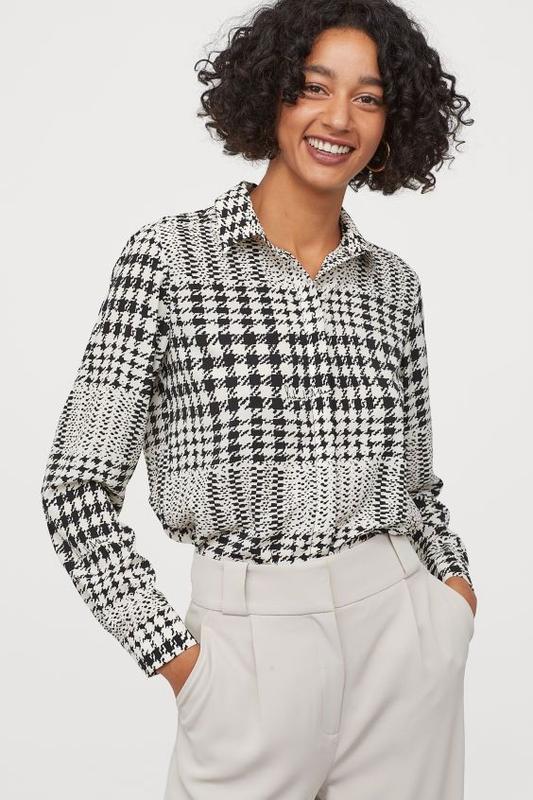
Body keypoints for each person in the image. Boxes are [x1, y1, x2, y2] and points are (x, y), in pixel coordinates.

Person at [40, 0, 478, 797]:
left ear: (393, 122)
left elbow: (416, 485)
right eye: (314, 86)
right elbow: (75, 488)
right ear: (269, 92)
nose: (338, 118)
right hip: (246, 652)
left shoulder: (393, 286)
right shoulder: (168, 261)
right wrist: (175, 659)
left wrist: (452, 596)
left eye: (368, 97)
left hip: (404, 639)